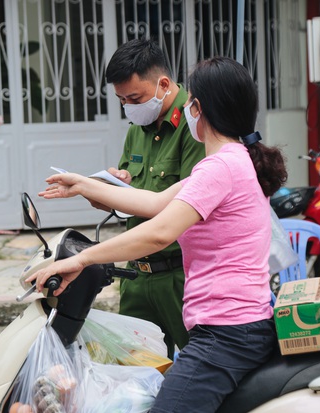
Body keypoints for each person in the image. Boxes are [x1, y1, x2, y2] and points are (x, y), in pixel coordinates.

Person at [27, 56, 287, 413]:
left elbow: (159, 233)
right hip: (237, 325)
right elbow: (152, 202)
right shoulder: (233, 161)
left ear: (198, 108)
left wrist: (82, 258)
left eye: (191, 102)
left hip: (226, 332)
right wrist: (83, 184)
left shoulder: (220, 167)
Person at [99, 39, 205, 358]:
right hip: (137, 274)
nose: (129, 106)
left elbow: (178, 207)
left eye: (134, 98)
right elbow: (127, 201)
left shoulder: (197, 124)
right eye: (122, 100)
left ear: (162, 84)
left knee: (199, 374)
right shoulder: (138, 128)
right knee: (134, 378)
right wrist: (107, 190)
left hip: (181, 277)